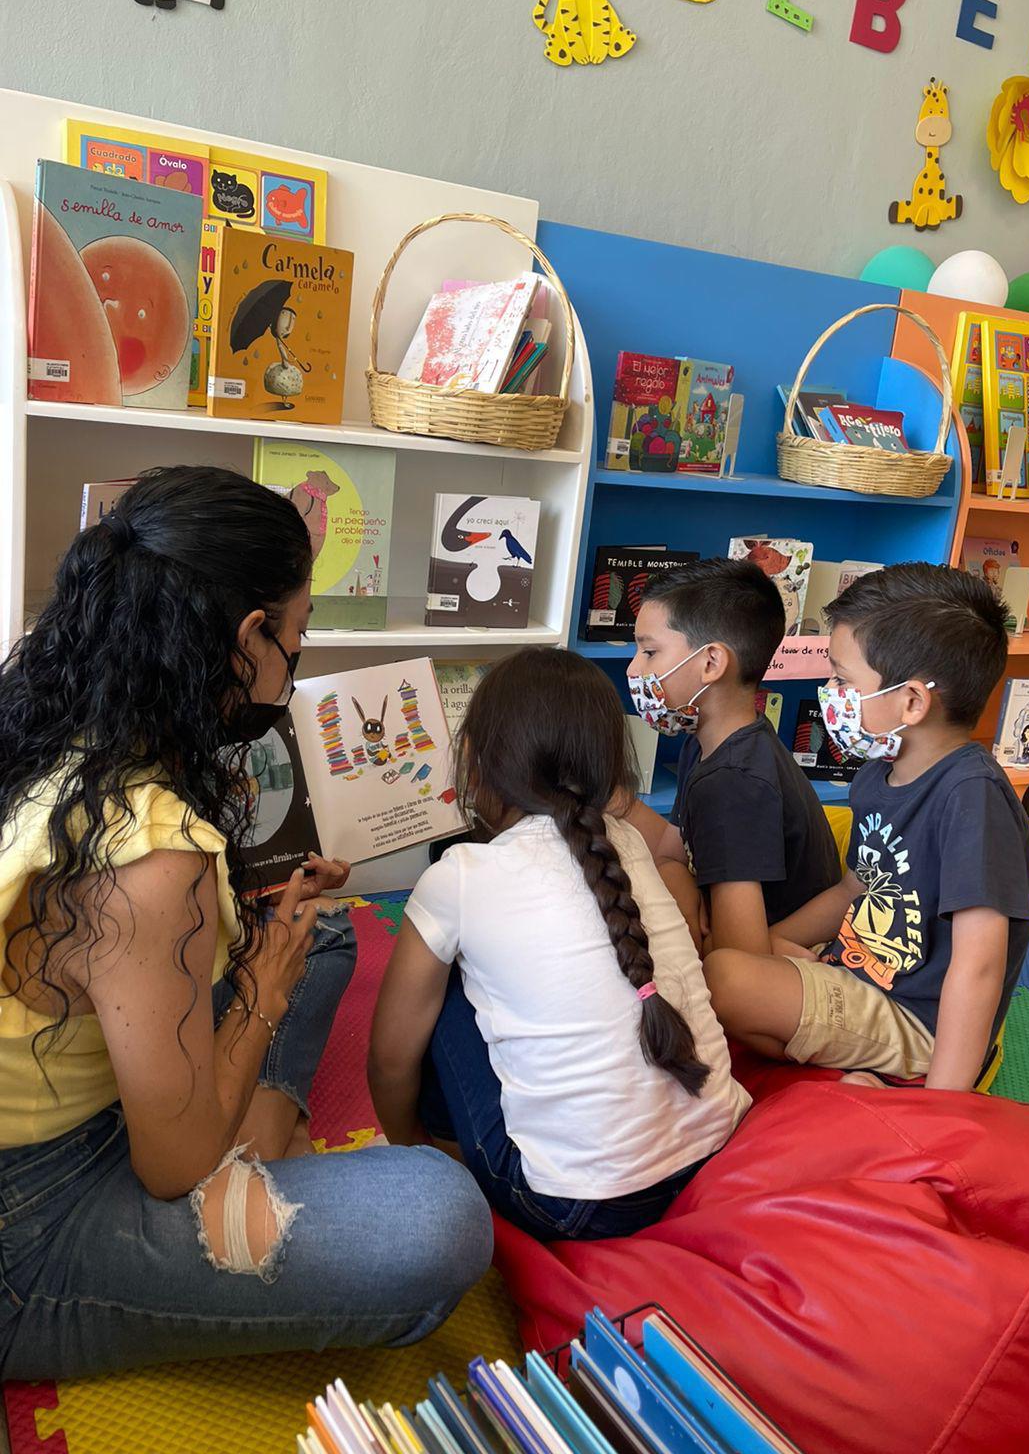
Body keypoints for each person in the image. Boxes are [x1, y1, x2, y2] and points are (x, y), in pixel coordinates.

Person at [0, 467, 491, 1382]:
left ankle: (256, 1134)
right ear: (245, 637)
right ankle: (257, 1141)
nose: (296, 662)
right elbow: (172, 1168)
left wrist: (266, 944)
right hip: (33, 1222)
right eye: (297, 634)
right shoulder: (152, 857)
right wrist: (264, 983)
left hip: (77, 1092)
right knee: (437, 1213)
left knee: (329, 935)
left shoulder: (46, 716)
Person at [368, 648, 750, 1242]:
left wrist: (406, 1148)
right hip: (713, 1153)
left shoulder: (460, 874)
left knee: (436, 984)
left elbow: (389, 1061)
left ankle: (440, 1164)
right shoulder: (625, 843)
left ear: (476, 760)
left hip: (577, 1204)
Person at [704, 564, 1029, 1092]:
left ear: (912, 701)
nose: (829, 691)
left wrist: (942, 1109)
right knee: (728, 957)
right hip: (860, 973)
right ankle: (861, 1077)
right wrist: (774, 942)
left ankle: (902, 1085)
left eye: (842, 679)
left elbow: (980, 966)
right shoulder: (880, 773)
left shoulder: (973, 799)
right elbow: (857, 887)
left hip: (916, 1021)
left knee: (724, 977)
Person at [623, 558, 840, 954]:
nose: (635, 669)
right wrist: (684, 891)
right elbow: (671, 856)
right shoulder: (707, 742)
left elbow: (741, 956)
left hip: (778, 968)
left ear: (711, 662)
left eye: (649, 652)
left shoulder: (734, 781)